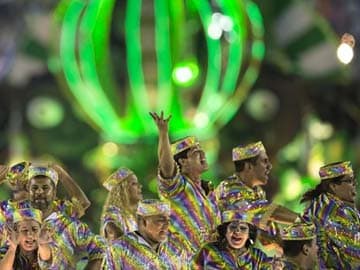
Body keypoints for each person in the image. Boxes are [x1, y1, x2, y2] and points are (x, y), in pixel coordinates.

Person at [150, 111, 220, 255]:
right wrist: (163, 133)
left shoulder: (208, 191)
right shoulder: (177, 187)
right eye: (196, 154)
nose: (203, 156)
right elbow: (166, 166)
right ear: (182, 162)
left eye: (202, 151)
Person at [27, 165, 105, 270]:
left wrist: (62, 175)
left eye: (45, 188)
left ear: (54, 193)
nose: (39, 192)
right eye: (35, 188)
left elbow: (100, 245)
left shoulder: (67, 222)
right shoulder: (17, 219)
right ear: (28, 192)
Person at [301, 161, 360, 269]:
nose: (355, 185)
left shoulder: (322, 203)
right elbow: (355, 251)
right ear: (333, 186)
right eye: (350, 181)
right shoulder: (332, 210)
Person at [103, 199, 188, 270]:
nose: (167, 225)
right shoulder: (120, 248)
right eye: (160, 221)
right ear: (144, 222)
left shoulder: (176, 247)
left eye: (168, 221)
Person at [190, 208, 277, 269]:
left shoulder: (258, 256)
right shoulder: (208, 250)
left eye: (243, 228)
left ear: (249, 234)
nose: (237, 231)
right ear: (225, 232)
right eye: (233, 227)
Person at [100, 167, 143, 240]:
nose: (140, 186)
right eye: (134, 183)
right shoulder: (113, 215)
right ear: (122, 190)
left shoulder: (131, 216)